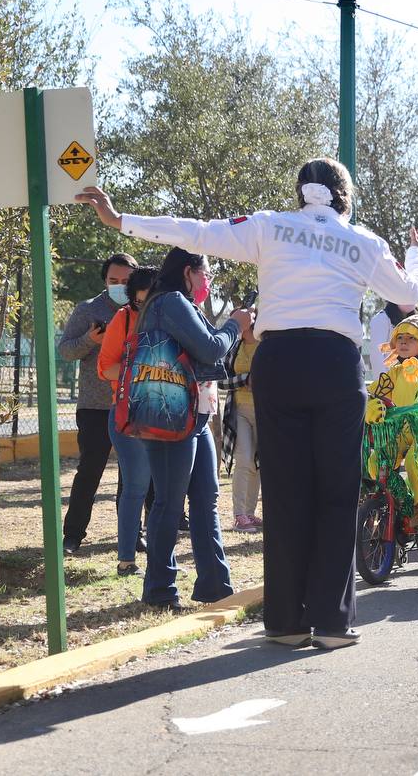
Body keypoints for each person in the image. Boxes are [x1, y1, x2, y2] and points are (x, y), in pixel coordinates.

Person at [77, 156, 418, 648]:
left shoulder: (269, 226)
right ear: (345, 196)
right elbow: (411, 294)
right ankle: (332, 622)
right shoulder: (364, 242)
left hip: (279, 361)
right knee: (335, 493)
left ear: (299, 192)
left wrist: (121, 221)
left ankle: (285, 622)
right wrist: (416, 254)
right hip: (334, 363)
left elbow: (195, 232)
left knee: (284, 491)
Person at [130, 248, 249, 611]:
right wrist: (236, 325)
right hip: (170, 416)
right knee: (168, 503)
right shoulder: (170, 303)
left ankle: (216, 586)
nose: (208, 281)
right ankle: (160, 589)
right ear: (188, 272)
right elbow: (212, 349)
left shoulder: (177, 303)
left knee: (205, 500)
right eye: (205, 273)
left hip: (193, 416)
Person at [58, 252, 138, 556]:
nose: (120, 286)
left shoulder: (142, 310)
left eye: (126, 281)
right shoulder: (88, 310)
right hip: (94, 407)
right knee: (89, 470)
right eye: (113, 281)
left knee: (131, 474)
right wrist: (90, 339)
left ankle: (131, 535)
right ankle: (73, 534)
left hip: (132, 403)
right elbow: (65, 351)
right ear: (104, 280)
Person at [97, 265, 157, 574]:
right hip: (128, 414)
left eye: (150, 301)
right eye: (137, 302)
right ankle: (126, 559)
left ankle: (161, 561)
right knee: (136, 487)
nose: (142, 308)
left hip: (166, 414)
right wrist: (143, 368)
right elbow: (105, 367)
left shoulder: (174, 318)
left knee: (163, 490)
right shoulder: (122, 319)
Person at [366, 317, 418, 529]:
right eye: (399, 338)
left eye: (411, 338)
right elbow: (376, 390)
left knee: (415, 460)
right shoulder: (394, 372)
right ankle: (403, 499)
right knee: (377, 461)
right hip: (399, 429)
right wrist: (367, 403)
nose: (403, 342)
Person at [220, 306, 263, 533]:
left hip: (266, 412)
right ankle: (239, 515)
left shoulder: (266, 344)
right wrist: (244, 379)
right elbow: (220, 380)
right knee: (244, 458)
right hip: (239, 411)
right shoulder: (232, 348)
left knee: (258, 464)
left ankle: (250, 513)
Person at [368, 300, 418, 379]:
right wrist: (383, 382)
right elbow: (376, 354)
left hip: (410, 377)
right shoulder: (382, 319)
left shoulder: (415, 320)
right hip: (390, 379)